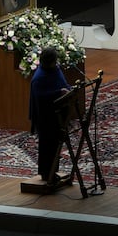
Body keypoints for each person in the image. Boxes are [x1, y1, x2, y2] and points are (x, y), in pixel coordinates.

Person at [29, 46, 71, 185]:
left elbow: (63, 84)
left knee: (55, 145)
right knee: (47, 145)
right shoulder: (39, 78)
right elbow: (41, 97)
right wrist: (59, 93)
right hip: (45, 117)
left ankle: (53, 172)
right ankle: (46, 173)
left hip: (57, 115)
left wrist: (68, 91)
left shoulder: (55, 70)